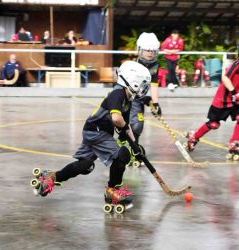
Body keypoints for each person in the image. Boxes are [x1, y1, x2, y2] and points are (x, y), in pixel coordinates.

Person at [32, 61, 151, 210]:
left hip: (97, 131)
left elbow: (124, 128)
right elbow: (116, 119)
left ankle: (52, 177)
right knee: (122, 155)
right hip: (96, 131)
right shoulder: (117, 94)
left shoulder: (127, 100)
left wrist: (136, 147)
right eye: (142, 84)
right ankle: (112, 191)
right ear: (133, 82)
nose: (144, 88)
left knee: (85, 165)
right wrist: (129, 146)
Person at [184, 35, 239, 161]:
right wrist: (234, 92)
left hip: (235, 100)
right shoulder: (236, 64)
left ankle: (234, 144)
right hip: (222, 99)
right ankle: (194, 137)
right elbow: (225, 78)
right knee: (214, 124)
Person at [118, 33, 161, 160]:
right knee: (129, 124)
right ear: (140, 50)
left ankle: (133, 149)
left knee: (138, 125)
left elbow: (154, 84)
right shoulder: (132, 65)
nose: (151, 53)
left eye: (153, 51)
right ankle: (126, 149)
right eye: (148, 50)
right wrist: (144, 99)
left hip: (139, 99)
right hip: (127, 98)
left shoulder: (155, 65)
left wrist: (156, 103)